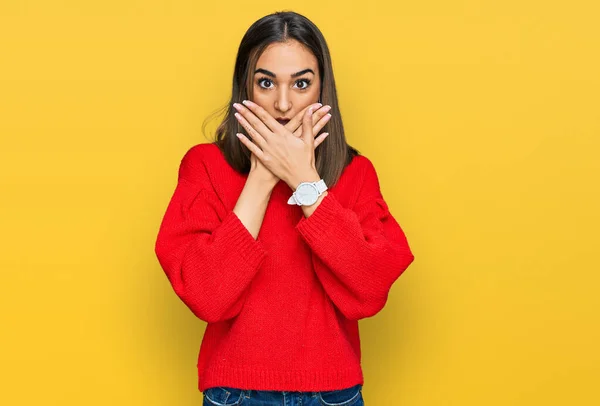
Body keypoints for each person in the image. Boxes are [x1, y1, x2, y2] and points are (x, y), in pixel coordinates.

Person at [154, 10, 415, 406]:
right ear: (245, 87)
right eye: (265, 82)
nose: (282, 104)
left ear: (322, 90)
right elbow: (207, 297)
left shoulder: (355, 173)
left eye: (301, 84)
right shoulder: (205, 166)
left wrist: (305, 182)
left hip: (333, 394)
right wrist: (262, 178)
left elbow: (371, 289)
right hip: (235, 394)